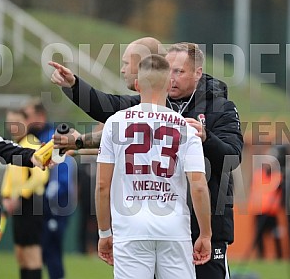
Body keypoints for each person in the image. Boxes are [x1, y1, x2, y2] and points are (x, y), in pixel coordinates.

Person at [50, 40, 243, 279]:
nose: (170, 78)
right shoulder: (153, 102)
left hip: (205, 222)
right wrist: (74, 86)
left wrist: (206, 137)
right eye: (168, 70)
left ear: (198, 73)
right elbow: (108, 107)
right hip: (165, 224)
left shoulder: (221, 107)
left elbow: (232, 158)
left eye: (179, 72)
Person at [95, 54, 212, 278]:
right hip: (174, 228)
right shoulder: (186, 127)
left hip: (130, 227)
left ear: (137, 85)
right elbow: (198, 187)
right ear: (169, 84)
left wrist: (104, 232)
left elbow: (102, 185)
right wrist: (205, 233)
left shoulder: (114, 123)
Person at [23, 99, 76, 279]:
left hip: (55, 204)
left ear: (40, 116)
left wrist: (53, 194)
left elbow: (63, 169)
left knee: (51, 249)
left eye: (27, 116)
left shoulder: (51, 138)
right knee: (42, 250)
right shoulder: (34, 139)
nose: (25, 120)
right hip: (42, 202)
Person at [1, 109, 49, 279]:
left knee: (32, 253)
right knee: (20, 253)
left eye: (16, 122)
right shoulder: (14, 146)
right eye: (10, 123)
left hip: (31, 203)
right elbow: (10, 177)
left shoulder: (32, 144)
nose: (13, 127)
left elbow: (41, 176)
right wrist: (7, 197)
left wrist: (19, 195)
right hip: (17, 205)